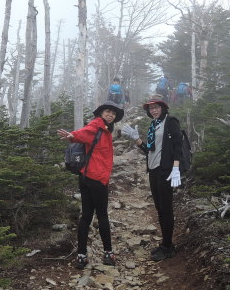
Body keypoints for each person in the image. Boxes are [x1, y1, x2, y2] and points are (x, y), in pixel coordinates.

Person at [57, 101, 124, 269]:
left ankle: (81, 255)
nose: (111, 115)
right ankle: (108, 253)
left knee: (86, 215)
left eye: (113, 114)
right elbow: (83, 133)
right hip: (97, 178)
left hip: (86, 177)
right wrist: (72, 136)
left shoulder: (105, 129)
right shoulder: (97, 126)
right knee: (102, 215)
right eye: (108, 112)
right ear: (101, 113)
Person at [121, 95, 183, 262]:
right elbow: (149, 150)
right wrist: (136, 139)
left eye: (157, 107)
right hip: (154, 171)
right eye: (151, 108)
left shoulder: (171, 122)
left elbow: (178, 145)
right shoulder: (153, 125)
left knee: (166, 208)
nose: (154, 110)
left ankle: (168, 246)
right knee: (159, 208)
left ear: (163, 107)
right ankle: (165, 243)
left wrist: (176, 167)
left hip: (166, 171)